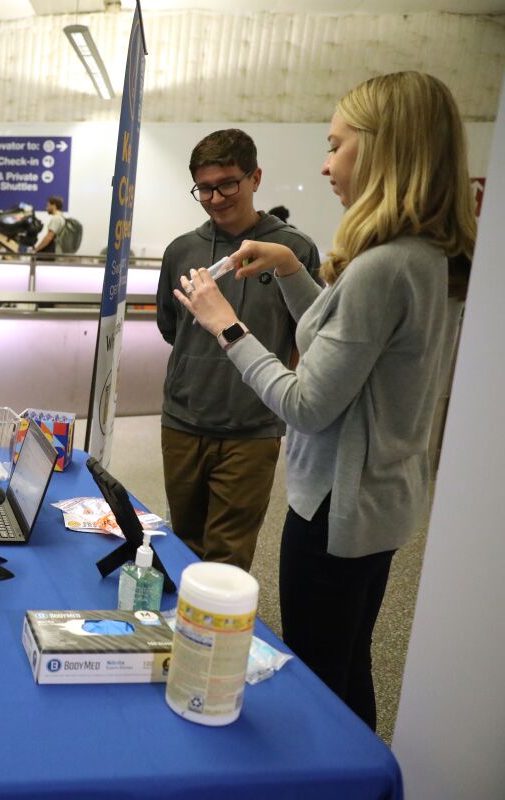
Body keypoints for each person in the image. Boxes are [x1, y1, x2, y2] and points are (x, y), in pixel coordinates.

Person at [173, 71, 475, 730]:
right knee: (347, 667)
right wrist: (290, 269)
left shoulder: (382, 266)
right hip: (378, 506)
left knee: (317, 683)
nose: (325, 161)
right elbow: (346, 348)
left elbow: (308, 401)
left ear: (385, 149)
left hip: (335, 513)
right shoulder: (421, 257)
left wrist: (225, 323)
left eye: (338, 145)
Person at [155, 129, 321, 572]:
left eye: (228, 183)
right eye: (204, 188)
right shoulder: (181, 251)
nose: (215, 197)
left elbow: (309, 332)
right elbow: (172, 330)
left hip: (253, 427)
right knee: (181, 545)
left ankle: (216, 640)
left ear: (255, 178)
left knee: (228, 556)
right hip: (184, 420)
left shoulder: (292, 250)